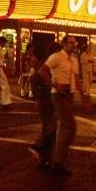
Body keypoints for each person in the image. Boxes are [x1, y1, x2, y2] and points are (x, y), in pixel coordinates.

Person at [37, 35, 80, 175]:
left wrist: (84, 97)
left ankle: (55, 160)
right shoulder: (56, 57)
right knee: (70, 126)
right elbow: (42, 71)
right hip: (58, 94)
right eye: (70, 43)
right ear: (64, 44)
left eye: (75, 43)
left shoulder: (74, 60)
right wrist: (54, 83)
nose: (73, 45)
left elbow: (76, 78)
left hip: (69, 94)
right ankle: (57, 161)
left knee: (63, 127)